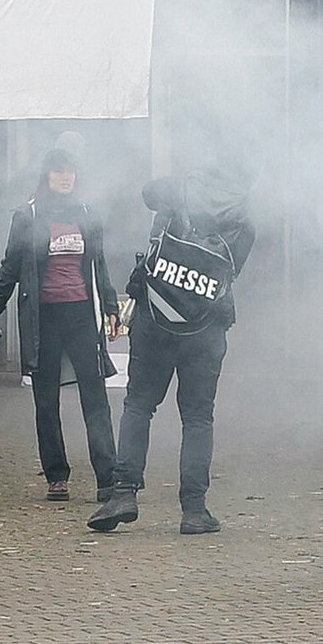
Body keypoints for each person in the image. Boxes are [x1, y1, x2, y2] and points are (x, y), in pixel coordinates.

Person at [89, 157, 256, 535]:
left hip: (155, 317)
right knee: (198, 418)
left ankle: (123, 492)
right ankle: (194, 510)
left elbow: (148, 193)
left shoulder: (181, 189)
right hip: (206, 328)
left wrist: (184, 180)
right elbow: (231, 271)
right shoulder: (244, 218)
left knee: (138, 405)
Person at [0, 145, 123, 502]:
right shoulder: (28, 216)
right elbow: (11, 264)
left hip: (81, 315)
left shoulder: (88, 214)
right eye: (58, 171)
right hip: (43, 318)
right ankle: (56, 476)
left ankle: (107, 476)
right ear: (46, 176)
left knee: (95, 398)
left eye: (70, 171)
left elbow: (100, 265)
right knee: (46, 401)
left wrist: (110, 306)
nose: (65, 177)